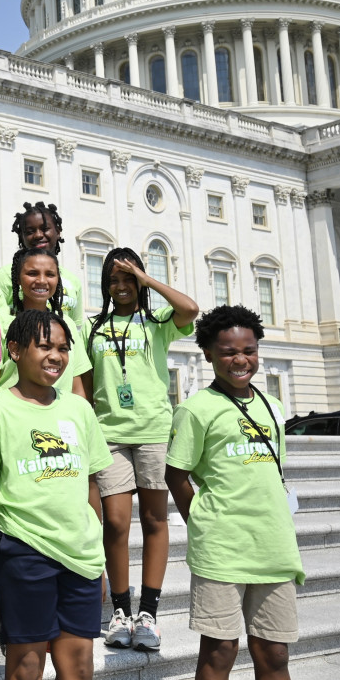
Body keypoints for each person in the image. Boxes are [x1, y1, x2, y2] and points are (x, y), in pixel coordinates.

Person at [166, 305, 303, 680]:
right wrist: (204, 522)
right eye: (227, 351)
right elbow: (176, 476)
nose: (240, 359)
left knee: (274, 653)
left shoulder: (272, 406)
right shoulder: (196, 409)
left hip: (273, 544)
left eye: (249, 350)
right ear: (207, 353)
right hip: (222, 548)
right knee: (220, 651)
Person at [0, 310, 112, 680]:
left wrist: (99, 557)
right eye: (45, 346)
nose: (55, 355)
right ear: (15, 350)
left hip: (81, 556)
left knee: (80, 667)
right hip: (23, 553)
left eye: (63, 348)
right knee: (27, 668)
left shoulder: (80, 410)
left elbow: (91, 485)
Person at [87, 247, 198, 652]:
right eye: (113, 280)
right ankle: (120, 610)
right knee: (115, 523)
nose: (120, 286)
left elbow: (191, 308)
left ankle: (148, 612)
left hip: (153, 430)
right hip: (109, 434)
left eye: (128, 278)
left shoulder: (157, 323)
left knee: (154, 520)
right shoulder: (93, 328)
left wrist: (148, 279)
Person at [0, 248, 91, 398]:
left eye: (50, 274)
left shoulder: (68, 325)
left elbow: (77, 387)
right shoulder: (1, 323)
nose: (41, 280)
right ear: (18, 279)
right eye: (32, 273)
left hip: (60, 417)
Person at [0, 202, 85, 330]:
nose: (38, 235)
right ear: (22, 237)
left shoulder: (73, 281)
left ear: (58, 232)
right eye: (30, 231)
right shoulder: (5, 275)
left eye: (45, 229)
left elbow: (76, 329)